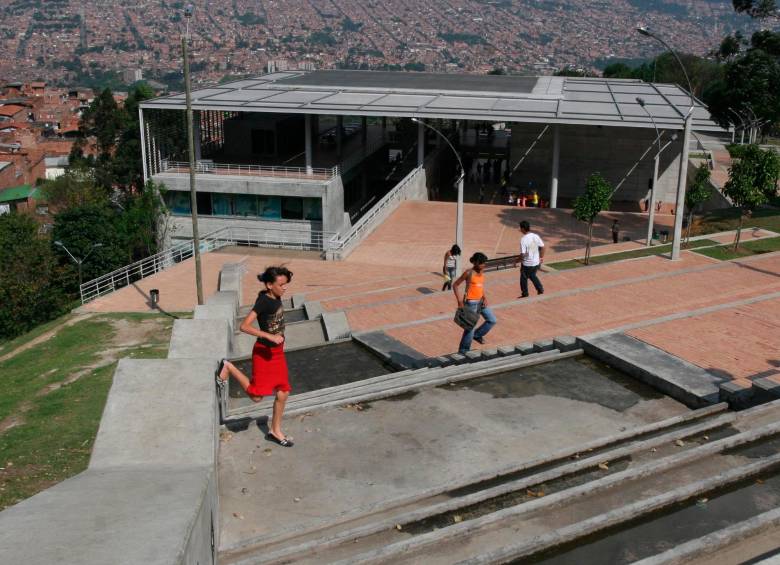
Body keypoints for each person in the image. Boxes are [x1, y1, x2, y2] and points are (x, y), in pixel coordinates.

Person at [216, 266, 294, 447]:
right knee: (257, 397)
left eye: (286, 284)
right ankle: (229, 367)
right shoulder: (264, 302)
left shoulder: (275, 296)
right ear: (269, 285)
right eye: (281, 284)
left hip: (277, 353)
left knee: (283, 392)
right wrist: (268, 336)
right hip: (264, 354)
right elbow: (244, 326)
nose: (285, 288)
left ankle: (275, 431)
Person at [453, 252, 497, 354]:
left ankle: (477, 335)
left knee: (492, 320)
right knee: (470, 328)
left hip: (481, 302)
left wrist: (484, 297)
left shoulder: (481, 271)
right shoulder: (468, 273)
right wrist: (459, 301)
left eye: (484, 263)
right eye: (481, 263)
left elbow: (480, 286)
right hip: (471, 303)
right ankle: (463, 351)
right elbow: (455, 285)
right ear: (476, 262)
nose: (483, 265)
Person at [516, 220, 545, 298]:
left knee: (523, 278)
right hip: (536, 262)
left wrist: (517, 260)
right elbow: (542, 247)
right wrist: (541, 257)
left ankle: (525, 293)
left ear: (522, 229)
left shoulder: (523, 239)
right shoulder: (535, 236)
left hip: (527, 264)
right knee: (532, 275)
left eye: (520, 228)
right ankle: (540, 288)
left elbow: (523, 253)